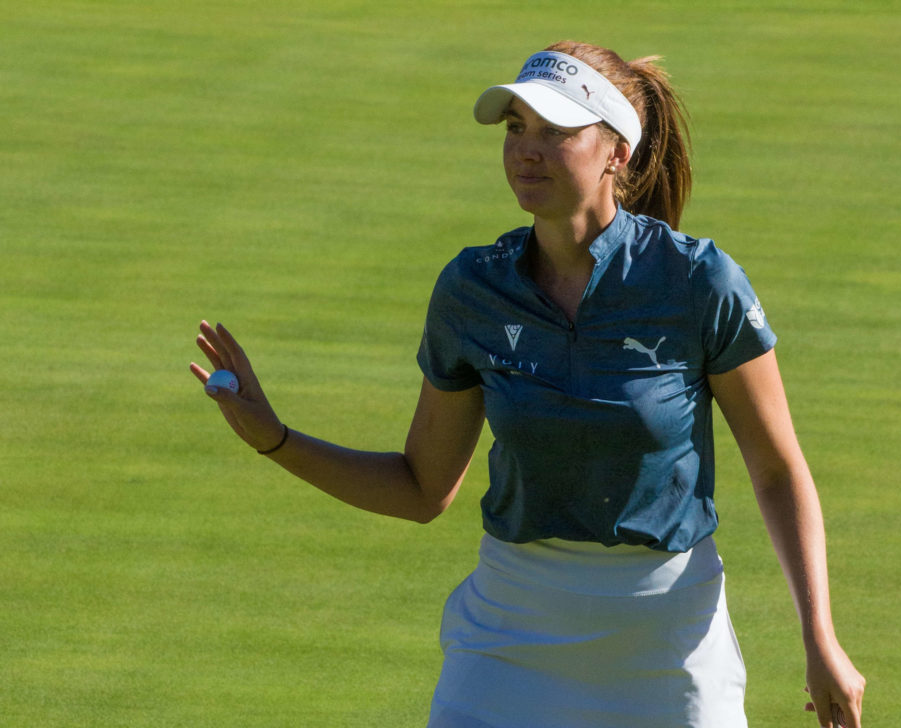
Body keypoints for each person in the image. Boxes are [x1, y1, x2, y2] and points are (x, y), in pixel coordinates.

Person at [191, 40, 865, 728]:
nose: (526, 150)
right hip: (511, 633)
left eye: (555, 131)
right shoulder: (473, 288)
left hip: (666, 642)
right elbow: (423, 489)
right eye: (516, 130)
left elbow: (779, 471)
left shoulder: (697, 282)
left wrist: (820, 638)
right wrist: (275, 439)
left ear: (616, 152)